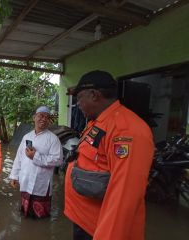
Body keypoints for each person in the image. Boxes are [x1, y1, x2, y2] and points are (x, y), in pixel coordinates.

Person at [64, 70, 154, 240]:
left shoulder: (126, 130)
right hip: (85, 221)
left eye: (79, 98)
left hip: (100, 229)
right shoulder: (97, 122)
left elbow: (124, 196)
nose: (78, 104)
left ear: (94, 95)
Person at [9, 106, 63, 219]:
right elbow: (19, 157)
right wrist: (14, 176)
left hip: (41, 183)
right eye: (41, 116)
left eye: (47, 117)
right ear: (34, 117)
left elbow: (58, 160)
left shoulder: (53, 139)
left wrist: (35, 156)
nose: (44, 119)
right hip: (26, 179)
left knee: (41, 216)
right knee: (24, 212)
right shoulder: (26, 137)